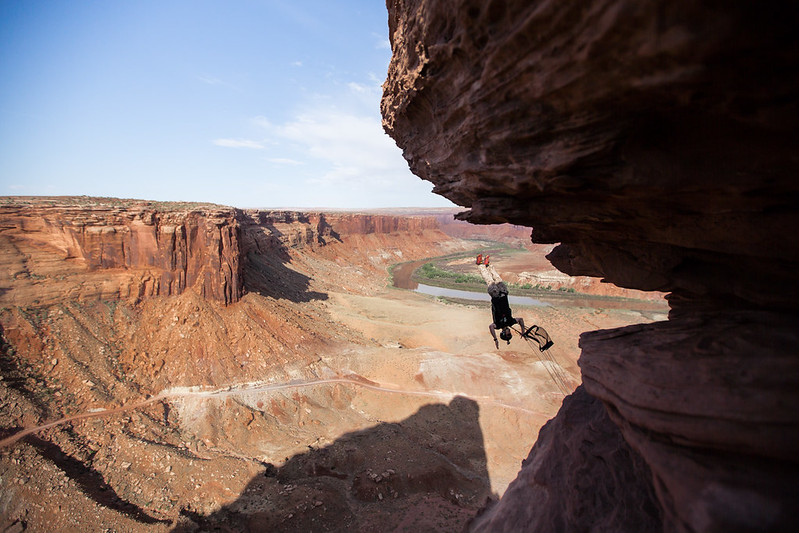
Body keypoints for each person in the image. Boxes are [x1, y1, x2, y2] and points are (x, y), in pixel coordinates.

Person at [476, 254, 554, 351]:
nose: (510, 332)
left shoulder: (497, 325)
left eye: (508, 334)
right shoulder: (511, 322)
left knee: (490, 281)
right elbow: (520, 320)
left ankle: (480, 265)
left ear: (503, 333)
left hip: (496, 296)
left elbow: (491, 327)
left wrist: (495, 339)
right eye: (510, 334)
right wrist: (522, 331)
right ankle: (488, 266)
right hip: (504, 294)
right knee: (498, 280)